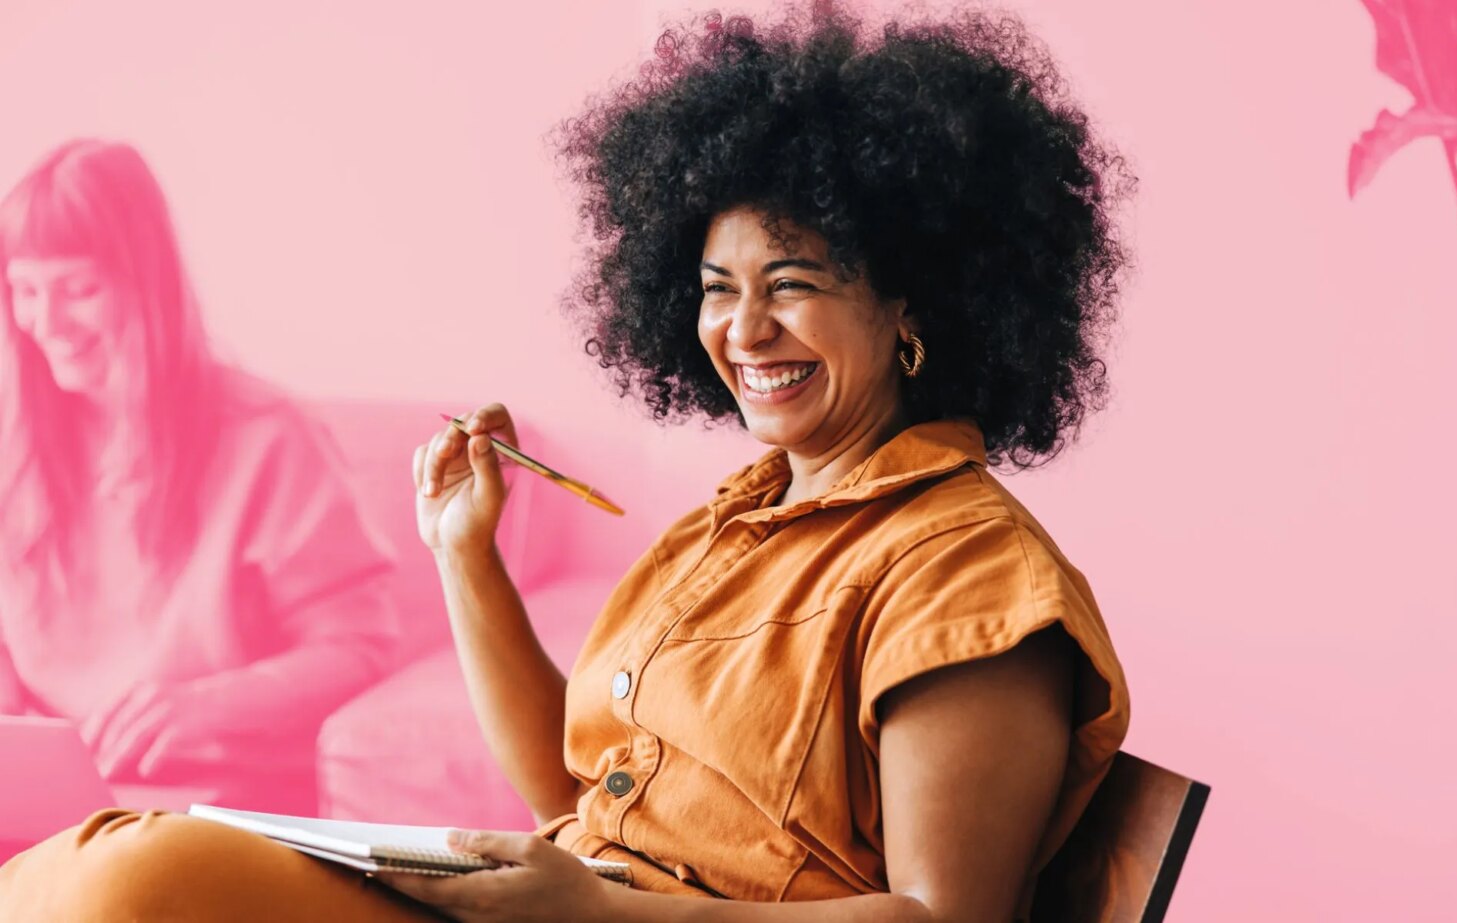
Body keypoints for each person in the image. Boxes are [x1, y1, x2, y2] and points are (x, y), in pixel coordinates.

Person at [0, 4, 1134, 920]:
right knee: (102, 860)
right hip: (552, 894)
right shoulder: (735, 521)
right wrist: (465, 553)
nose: (742, 331)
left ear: (911, 307)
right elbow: (566, 786)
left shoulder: (969, 572)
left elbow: (942, 918)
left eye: (791, 282)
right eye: (714, 289)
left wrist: (604, 913)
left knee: (128, 885)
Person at [0, 139, 402, 814]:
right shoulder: (16, 440)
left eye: (79, 289)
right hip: (50, 796)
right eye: (25, 291)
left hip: (205, 801)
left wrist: (207, 706)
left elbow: (360, 645)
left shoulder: (267, 436)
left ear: (146, 284)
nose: (48, 323)